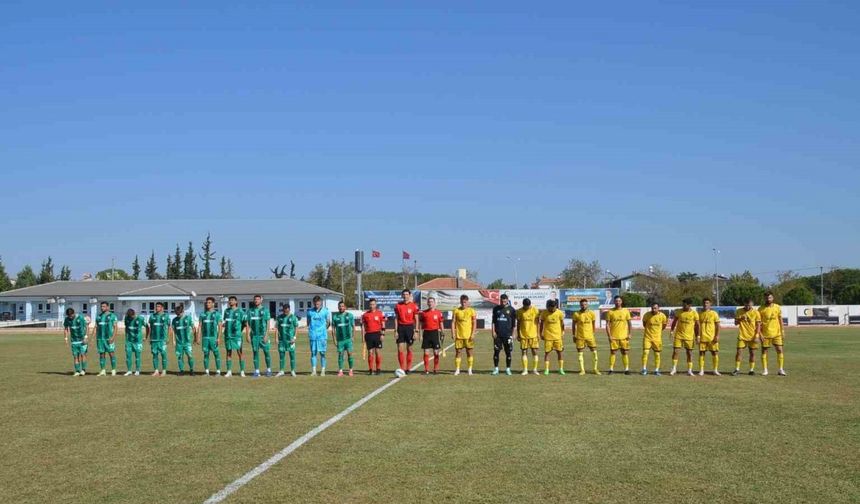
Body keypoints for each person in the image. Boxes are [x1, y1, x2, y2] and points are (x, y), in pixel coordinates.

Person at [758, 292, 786, 376]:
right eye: (766, 298)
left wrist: (783, 331)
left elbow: (780, 320)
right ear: (764, 298)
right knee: (764, 351)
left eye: (770, 297)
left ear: (772, 298)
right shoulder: (760, 309)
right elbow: (758, 323)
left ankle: (780, 369)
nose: (768, 299)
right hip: (765, 334)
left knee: (780, 350)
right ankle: (765, 370)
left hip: (777, 333)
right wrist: (760, 334)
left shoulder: (777, 307)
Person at [670, 298, 699, 376]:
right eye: (682, 304)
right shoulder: (679, 311)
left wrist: (697, 336)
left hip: (689, 337)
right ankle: (674, 368)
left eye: (684, 305)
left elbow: (697, 325)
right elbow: (674, 322)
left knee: (689, 353)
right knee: (675, 351)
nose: (683, 306)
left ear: (689, 305)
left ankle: (689, 370)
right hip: (678, 335)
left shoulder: (694, 313)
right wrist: (672, 331)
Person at [733, 298, 762, 376]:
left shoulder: (756, 312)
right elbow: (735, 323)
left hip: (752, 336)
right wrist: (740, 319)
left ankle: (751, 370)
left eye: (749, 305)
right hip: (742, 335)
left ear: (752, 304)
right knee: (739, 352)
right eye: (746, 305)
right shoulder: (739, 311)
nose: (748, 307)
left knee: (752, 353)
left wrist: (757, 336)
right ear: (744, 304)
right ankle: (737, 369)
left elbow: (758, 325)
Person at [572, 298, 600, 375]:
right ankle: (582, 370)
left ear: (587, 304)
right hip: (580, 336)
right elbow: (573, 325)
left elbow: (594, 324)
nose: (583, 306)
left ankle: (595, 369)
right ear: (580, 305)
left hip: (590, 336)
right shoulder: (576, 314)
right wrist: (573, 335)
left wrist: (593, 333)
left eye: (585, 304)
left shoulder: (591, 313)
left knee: (594, 352)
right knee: (580, 353)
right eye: (582, 305)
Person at [605, 296, 632, 375]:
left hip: (624, 337)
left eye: (619, 301)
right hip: (614, 337)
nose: (618, 302)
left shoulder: (626, 311)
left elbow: (629, 323)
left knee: (625, 352)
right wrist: (609, 336)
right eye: (616, 301)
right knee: (613, 352)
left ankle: (626, 369)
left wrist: (630, 334)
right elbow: (607, 325)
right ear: (614, 302)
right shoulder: (610, 312)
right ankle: (611, 369)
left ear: (621, 302)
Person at [247, 295, 273, 377]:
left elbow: (268, 322)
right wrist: (247, 334)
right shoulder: (250, 311)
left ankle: (269, 370)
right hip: (254, 336)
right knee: (255, 352)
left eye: (258, 299)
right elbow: (247, 323)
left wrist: (266, 335)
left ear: (261, 300)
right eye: (255, 299)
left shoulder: (265, 310)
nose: (256, 300)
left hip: (263, 335)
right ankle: (257, 371)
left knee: (266, 352)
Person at [394, 289, 419, 374]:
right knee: (400, 349)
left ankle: (408, 368)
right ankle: (402, 368)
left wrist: (416, 331)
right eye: (403, 294)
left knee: (409, 349)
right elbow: (396, 319)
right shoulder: (398, 306)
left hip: (409, 328)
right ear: (402, 296)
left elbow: (416, 319)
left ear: (409, 295)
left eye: (407, 294)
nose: (405, 296)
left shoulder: (414, 306)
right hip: (400, 328)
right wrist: (395, 330)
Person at [491, 294, 517, 375]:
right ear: (500, 300)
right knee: (496, 352)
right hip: (498, 335)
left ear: (507, 300)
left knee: (508, 352)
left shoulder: (512, 310)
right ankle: (496, 369)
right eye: (502, 300)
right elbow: (493, 322)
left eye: (505, 300)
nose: (503, 301)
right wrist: (493, 331)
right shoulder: (496, 309)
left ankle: (508, 369)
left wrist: (513, 334)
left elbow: (514, 324)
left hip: (507, 334)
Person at [452, 294, 477, 376]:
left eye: (465, 302)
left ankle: (470, 369)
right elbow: (453, 322)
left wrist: (473, 333)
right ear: (460, 302)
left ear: (467, 302)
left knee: (469, 352)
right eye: (462, 302)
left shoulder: (472, 311)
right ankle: (457, 369)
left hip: (469, 336)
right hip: (459, 336)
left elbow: (474, 323)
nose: (463, 304)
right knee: (458, 352)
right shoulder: (456, 310)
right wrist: (453, 333)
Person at [221, 296, 246, 377]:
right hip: (228, 335)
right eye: (229, 300)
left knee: (240, 352)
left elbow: (245, 323)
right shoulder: (226, 311)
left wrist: (239, 330)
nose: (230, 301)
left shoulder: (241, 311)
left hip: (237, 336)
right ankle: (229, 371)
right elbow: (225, 322)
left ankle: (242, 371)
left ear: (236, 302)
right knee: (228, 352)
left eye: (232, 300)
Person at [539, 299, 566, 375]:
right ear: (548, 307)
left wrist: (563, 331)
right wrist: (541, 333)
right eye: (551, 307)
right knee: (547, 353)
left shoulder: (559, 313)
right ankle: (547, 369)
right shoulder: (544, 313)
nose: (553, 309)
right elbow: (541, 325)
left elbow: (562, 323)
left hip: (557, 337)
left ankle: (561, 369)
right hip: (548, 337)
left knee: (559, 352)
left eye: (554, 307)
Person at [197, 297, 222, 376]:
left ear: (213, 304)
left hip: (213, 338)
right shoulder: (202, 314)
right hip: (205, 338)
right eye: (207, 302)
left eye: (209, 302)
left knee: (216, 354)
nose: (207, 304)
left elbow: (220, 326)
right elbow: (200, 326)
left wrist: (218, 338)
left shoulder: (217, 314)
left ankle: (218, 371)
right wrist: (198, 337)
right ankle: (206, 371)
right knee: (206, 354)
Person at [419, 296, 444, 374]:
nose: (430, 303)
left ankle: (435, 369)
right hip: (426, 333)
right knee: (426, 352)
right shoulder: (423, 313)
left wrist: (442, 332)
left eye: (432, 302)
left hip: (435, 333)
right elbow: (420, 324)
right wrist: (420, 334)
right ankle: (426, 369)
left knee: (436, 352)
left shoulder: (438, 313)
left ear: (434, 303)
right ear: (427, 303)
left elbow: (441, 323)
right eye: (429, 302)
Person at [307, 295, 331, 376]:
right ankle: (314, 370)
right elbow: (308, 322)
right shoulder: (310, 312)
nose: (316, 305)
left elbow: (328, 322)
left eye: (318, 304)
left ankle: (323, 370)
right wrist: (312, 330)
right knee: (313, 353)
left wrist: (323, 330)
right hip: (313, 335)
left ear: (320, 303)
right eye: (315, 304)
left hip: (322, 336)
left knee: (322, 353)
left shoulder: (325, 311)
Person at [640, 303, 667, 375]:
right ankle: (644, 369)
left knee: (657, 354)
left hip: (657, 339)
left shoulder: (662, 316)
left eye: (655, 308)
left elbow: (664, 325)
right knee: (645, 352)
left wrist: (658, 332)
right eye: (652, 308)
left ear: (658, 308)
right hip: (647, 337)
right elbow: (644, 324)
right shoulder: (647, 315)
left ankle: (656, 370)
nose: (653, 309)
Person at [361, 298, 386, 375]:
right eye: (371, 304)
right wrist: (363, 336)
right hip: (369, 334)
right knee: (370, 352)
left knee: (378, 352)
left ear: (376, 305)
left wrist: (382, 334)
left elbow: (383, 324)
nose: (372, 306)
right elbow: (363, 326)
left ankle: (378, 369)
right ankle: (371, 370)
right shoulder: (365, 315)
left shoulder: (380, 313)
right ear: (369, 305)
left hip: (377, 334)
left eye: (373, 304)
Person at [516, 298, 541, 375]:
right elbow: (518, 323)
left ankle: (535, 369)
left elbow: (537, 323)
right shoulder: (519, 311)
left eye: (529, 305)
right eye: (526, 306)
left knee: (535, 351)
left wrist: (538, 334)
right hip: (523, 335)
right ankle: (525, 370)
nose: (528, 307)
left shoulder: (535, 310)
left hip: (533, 335)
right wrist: (518, 334)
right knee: (524, 352)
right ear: (523, 305)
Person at [697, 298, 721, 376]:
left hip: (712, 337)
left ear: (710, 304)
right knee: (701, 353)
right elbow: (697, 326)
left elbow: (717, 326)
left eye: (707, 303)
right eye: (704, 303)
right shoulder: (699, 314)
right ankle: (701, 370)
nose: (705, 304)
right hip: (703, 337)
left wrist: (717, 335)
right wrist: (698, 336)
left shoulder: (714, 313)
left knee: (715, 353)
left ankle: (715, 370)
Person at [93, 302, 118, 376]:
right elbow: (96, 328)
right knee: (101, 354)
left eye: (104, 306)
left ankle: (113, 370)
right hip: (100, 339)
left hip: (109, 338)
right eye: (101, 306)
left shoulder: (113, 316)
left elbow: (115, 327)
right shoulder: (98, 317)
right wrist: (94, 337)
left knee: (111, 353)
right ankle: (103, 370)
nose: (102, 308)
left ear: (108, 307)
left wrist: (113, 337)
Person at [332, 301, 355, 377]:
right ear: (338, 307)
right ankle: (341, 370)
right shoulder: (335, 316)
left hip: (348, 339)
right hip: (340, 340)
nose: (341, 307)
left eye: (342, 306)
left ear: (345, 307)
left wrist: (353, 337)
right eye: (340, 306)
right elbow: (333, 329)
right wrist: (334, 339)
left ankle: (351, 370)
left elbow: (353, 327)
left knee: (349, 354)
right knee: (340, 354)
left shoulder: (350, 315)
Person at [170, 304, 195, 375]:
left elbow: (193, 328)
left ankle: (191, 370)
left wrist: (193, 337)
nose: (178, 315)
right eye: (176, 314)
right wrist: (173, 340)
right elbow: (174, 331)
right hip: (179, 342)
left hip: (187, 342)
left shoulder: (188, 318)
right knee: (180, 356)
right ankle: (181, 371)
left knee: (190, 356)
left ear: (183, 312)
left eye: (179, 314)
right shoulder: (174, 320)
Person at [146, 302, 170, 376]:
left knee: (163, 354)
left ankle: (164, 371)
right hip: (154, 339)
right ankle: (156, 371)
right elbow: (150, 328)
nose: (157, 308)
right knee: (155, 355)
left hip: (162, 339)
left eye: (159, 306)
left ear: (162, 308)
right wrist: (149, 337)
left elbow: (169, 327)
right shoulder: (152, 316)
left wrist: (168, 337)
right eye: (156, 307)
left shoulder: (166, 316)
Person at [63, 308, 88, 376]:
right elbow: (66, 328)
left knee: (83, 355)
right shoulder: (67, 319)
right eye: (69, 316)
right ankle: (77, 371)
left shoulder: (80, 318)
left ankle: (83, 370)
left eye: (71, 316)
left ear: (74, 313)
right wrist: (66, 338)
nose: (70, 317)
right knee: (75, 356)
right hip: (74, 341)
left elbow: (86, 327)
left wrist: (85, 337)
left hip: (82, 340)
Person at [276, 304, 299, 377]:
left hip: (290, 340)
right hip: (282, 340)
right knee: (281, 356)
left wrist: (294, 338)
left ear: (289, 310)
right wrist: (276, 338)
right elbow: (277, 328)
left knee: (292, 355)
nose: (285, 312)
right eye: (284, 311)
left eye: (287, 311)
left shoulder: (293, 317)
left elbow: (296, 328)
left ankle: (292, 371)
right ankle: (281, 371)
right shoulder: (279, 317)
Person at [123, 308, 146, 376]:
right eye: (129, 316)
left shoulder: (140, 319)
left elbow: (147, 326)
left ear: (134, 314)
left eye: (132, 316)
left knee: (137, 356)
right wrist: (126, 336)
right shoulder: (127, 318)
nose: (131, 318)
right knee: (128, 356)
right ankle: (129, 370)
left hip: (137, 341)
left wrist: (146, 337)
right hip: (129, 341)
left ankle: (137, 370)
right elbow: (126, 327)